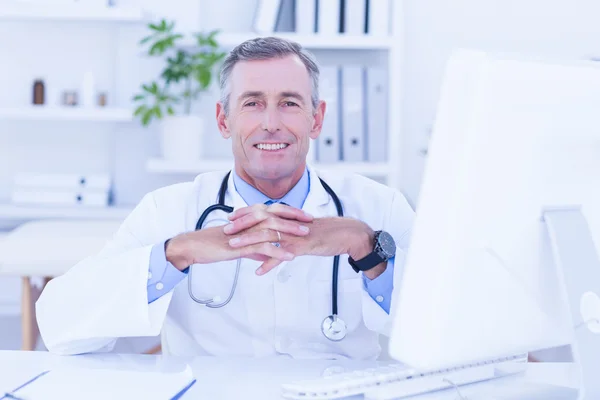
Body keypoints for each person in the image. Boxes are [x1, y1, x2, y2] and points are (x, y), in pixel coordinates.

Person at [36, 36, 415, 360]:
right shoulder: (167, 210)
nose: (270, 122)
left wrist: (368, 251)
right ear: (223, 120)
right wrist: (175, 254)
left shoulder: (379, 207)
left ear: (316, 119)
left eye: (289, 103)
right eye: (252, 103)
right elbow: (59, 326)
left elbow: (442, 329)